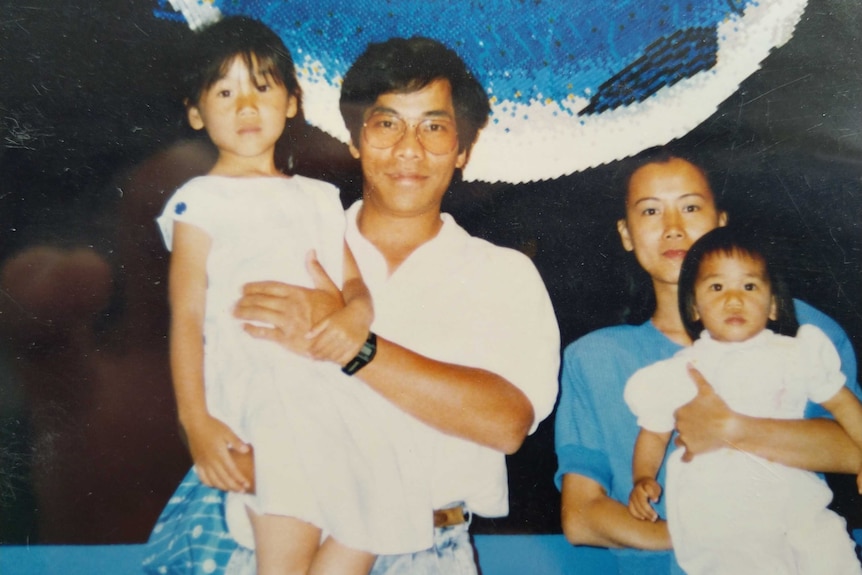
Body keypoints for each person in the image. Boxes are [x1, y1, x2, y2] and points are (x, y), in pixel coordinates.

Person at [230, 36, 561, 575]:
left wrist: (353, 347)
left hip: (427, 551)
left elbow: (506, 422)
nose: (409, 149)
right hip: (284, 545)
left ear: (462, 149)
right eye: (387, 124)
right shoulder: (293, 247)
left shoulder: (503, 274)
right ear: (357, 139)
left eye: (433, 127)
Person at [144, 17, 435, 575]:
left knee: (385, 503)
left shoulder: (320, 197)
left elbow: (354, 285)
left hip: (330, 380)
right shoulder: (200, 200)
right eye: (225, 92)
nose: (246, 106)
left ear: (293, 101)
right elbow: (185, 316)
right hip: (262, 387)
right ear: (196, 113)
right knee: (290, 523)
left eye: (262, 87)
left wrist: (355, 316)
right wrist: (195, 421)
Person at [554, 147, 862, 575]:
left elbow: (853, 447)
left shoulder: (801, 329)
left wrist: (734, 429)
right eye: (650, 212)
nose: (674, 229)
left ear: (720, 221)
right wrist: (713, 539)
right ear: (626, 233)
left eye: (691, 207)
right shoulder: (594, 357)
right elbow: (582, 516)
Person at [624, 226, 862, 574]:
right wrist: (642, 477)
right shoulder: (681, 370)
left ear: (775, 305)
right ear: (693, 307)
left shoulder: (797, 353)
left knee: (831, 553)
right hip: (723, 513)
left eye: (749, 286)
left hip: (794, 497)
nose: (733, 299)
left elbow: (843, 404)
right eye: (717, 287)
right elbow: (654, 432)